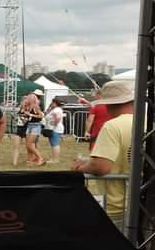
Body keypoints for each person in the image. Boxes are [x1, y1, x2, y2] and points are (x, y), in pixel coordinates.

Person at [73, 80, 134, 233]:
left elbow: (101, 166)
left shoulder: (112, 126)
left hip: (117, 205)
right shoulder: (150, 121)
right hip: (142, 202)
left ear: (108, 104)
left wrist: (80, 167)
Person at [24, 91, 45, 166]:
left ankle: (40, 158)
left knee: (30, 144)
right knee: (28, 145)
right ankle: (30, 160)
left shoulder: (36, 106)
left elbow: (41, 115)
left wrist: (31, 115)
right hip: (29, 125)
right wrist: (25, 118)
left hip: (36, 126)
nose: (26, 100)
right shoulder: (28, 107)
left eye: (28, 98)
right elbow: (29, 117)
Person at [45, 97, 66, 163]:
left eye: (52, 102)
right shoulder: (56, 109)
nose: (51, 103)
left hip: (55, 129)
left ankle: (55, 160)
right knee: (54, 144)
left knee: (55, 144)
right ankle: (55, 159)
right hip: (55, 128)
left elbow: (58, 117)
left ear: (55, 103)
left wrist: (55, 123)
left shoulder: (56, 110)